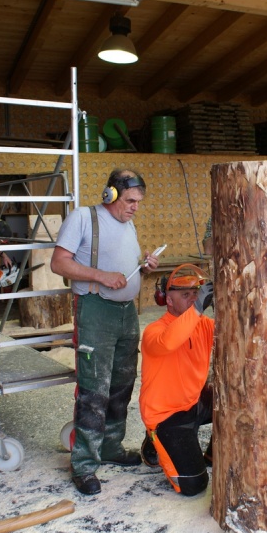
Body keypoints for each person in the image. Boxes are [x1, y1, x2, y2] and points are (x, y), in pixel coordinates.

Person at [50, 168, 159, 495]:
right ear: (110, 194)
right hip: (96, 309)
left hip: (126, 313)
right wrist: (101, 275)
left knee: (122, 384)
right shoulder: (83, 218)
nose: (135, 207)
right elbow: (59, 263)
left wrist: (143, 265)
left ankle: (111, 446)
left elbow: (124, 263)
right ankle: (84, 463)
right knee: (94, 388)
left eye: (138, 201)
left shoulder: (128, 224)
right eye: (130, 200)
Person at [139, 264, 214, 496]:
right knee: (194, 486)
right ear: (168, 300)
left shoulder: (203, 324)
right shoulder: (154, 331)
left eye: (196, 294)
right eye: (186, 294)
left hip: (194, 402)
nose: (193, 298)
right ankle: (155, 438)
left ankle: (213, 454)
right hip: (167, 415)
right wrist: (198, 308)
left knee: (238, 398)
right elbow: (169, 342)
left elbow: (232, 333)